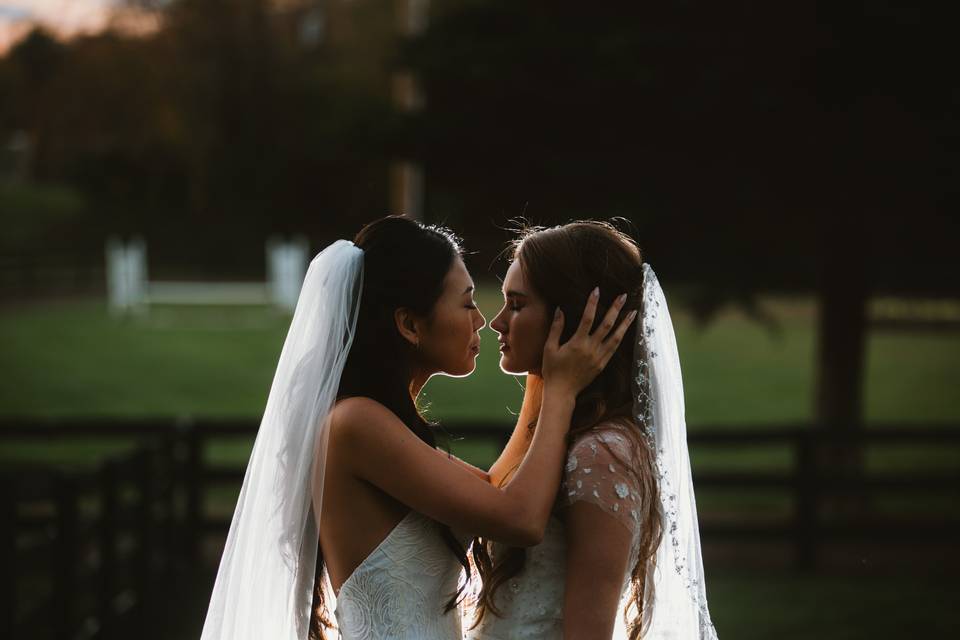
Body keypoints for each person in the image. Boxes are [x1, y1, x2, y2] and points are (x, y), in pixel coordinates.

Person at [200, 215, 636, 640]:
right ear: (410, 324)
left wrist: (543, 375)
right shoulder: (357, 424)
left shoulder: (381, 426)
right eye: (466, 302)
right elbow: (520, 518)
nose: (482, 320)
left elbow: (496, 488)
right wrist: (559, 391)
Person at [467, 221, 718, 639]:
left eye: (516, 304)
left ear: (572, 317)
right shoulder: (559, 432)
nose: (496, 322)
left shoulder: (603, 453)